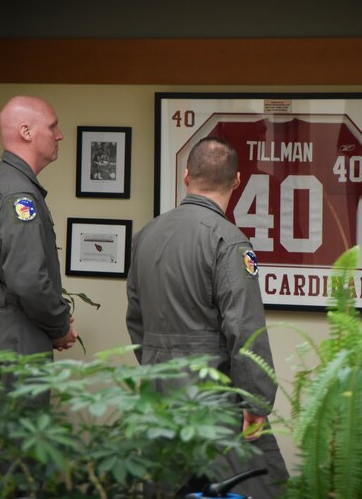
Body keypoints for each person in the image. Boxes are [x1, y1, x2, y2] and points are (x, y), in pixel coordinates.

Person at [126, 137, 289, 498]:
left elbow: (135, 319)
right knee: (256, 487)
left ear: (186, 176)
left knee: (171, 488)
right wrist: (256, 403)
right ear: (237, 181)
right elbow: (245, 330)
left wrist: (157, 367)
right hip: (212, 399)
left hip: (157, 396)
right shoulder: (228, 241)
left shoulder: (145, 235)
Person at [0, 95, 78, 445]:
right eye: (52, 126)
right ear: (26, 131)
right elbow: (28, 279)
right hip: (16, 333)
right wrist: (60, 325)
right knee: (14, 455)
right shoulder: (19, 193)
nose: (59, 135)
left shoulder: (3, 180)